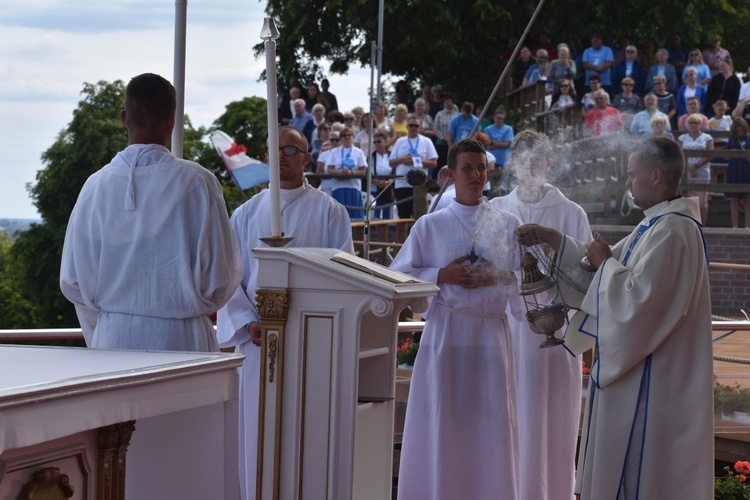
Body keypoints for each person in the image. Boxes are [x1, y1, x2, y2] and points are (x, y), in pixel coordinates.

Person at [516, 136, 713, 500]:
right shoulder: (654, 225)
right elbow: (598, 273)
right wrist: (556, 240)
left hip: (655, 387)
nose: (626, 183)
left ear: (655, 176)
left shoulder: (674, 232)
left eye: (631, 174)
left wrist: (605, 261)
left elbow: (639, 304)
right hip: (641, 378)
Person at [217, 126, 354, 500]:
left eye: (290, 149)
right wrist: (248, 322)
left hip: (312, 343)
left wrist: (314, 321)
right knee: (258, 435)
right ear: (264, 157)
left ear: (307, 158)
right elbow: (230, 279)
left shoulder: (330, 212)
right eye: (273, 150)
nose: (281, 156)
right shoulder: (245, 214)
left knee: (307, 434)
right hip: (259, 344)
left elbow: (345, 276)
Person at [60, 72, 242, 350]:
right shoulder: (197, 182)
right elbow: (222, 275)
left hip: (114, 341)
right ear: (171, 118)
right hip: (182, 342)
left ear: (123, 118)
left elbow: (73, 280)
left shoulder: (95, 185)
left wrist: (109, 321)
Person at [392, 139, 522, 499]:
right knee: (443, 424)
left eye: (481, 168)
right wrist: (439, 275)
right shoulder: (429, 226)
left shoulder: (507, 224)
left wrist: (502, 276)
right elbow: (395, 280)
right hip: (446, 335)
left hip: (491, 339)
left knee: (490, 426)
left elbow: (528, 281)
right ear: (449, 174)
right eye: (467, 168)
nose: (476, 175)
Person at [492, 129, 591, 500]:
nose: (530, 167)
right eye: (523, 160)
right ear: (513, 163)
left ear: (549, 163)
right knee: (510, 417)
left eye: (538, 160)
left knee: (553, 422)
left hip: (558, 334)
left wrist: (549, 248)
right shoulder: (497, 209)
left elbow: (586, 276)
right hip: (508, 331)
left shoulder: (570, 213)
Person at [390, 116, 438, 218]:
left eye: (416, 126)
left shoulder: (426, 141)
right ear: (407, 127)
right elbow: (391, 162)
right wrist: (402, 160)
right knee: (403, 216)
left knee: (419, 216)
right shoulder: (400, 141)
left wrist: (416, 161)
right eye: (411, 125)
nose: (413, 128)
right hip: (402, 184)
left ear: (420, 127)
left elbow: (433, 163)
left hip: (419, 185)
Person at [678, 113, 714, 223]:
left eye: (696, 122)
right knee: (687, 202)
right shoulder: (682, 138)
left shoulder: (707, 138)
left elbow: (710, 154)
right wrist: (688, 167)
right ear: (687, 124)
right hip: (686, 173)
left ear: (701, 124)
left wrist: (696, 166)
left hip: (702, 172)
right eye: (691, 122)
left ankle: (702, 225)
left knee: (702, 203)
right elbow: (679, 153)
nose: (694, 125)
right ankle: (689, 225)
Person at [326, 126, 367, 219]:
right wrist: (340, 172)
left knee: (354, 216)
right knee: (339, 217)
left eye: (349, 135)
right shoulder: (334, 152)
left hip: (353, 187)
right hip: (338, 187)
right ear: (341, 138)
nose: (347, 137)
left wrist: (351, 173)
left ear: (353, 137)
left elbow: (363, 171)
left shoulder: (358, 152)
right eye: (344, 135)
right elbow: (329, 169)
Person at [725, 118, 750, 228]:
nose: (740, 133)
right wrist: (731, 153)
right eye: (738, 131)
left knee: (747, 198)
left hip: (747, 169)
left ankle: (747, 226)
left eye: (741, 131)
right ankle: (734, 226)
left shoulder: (749, 138)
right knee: (734, 198)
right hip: (735, 169)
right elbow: (725, 156)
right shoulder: (732, 140)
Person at [369, 131, 394, 219]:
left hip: (388, 187)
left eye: (379, 141)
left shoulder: (392, 155)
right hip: (375, 187)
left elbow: (395, 172)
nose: (376, 144)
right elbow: (366, 172)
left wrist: (389, 181)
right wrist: (376, 182)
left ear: (385, 142)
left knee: (388, 213)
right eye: (374, 142)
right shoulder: (370, 157)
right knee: (374, 213)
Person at [434, 93, 459, 172]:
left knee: (453, 162)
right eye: (446, 102)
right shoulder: (439, 114)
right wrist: (443, 138)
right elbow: (436, 128)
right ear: (444, 104)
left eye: (450, 102)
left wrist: (451, 139)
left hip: (454, 142)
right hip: (441, 142)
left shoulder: (457, 114)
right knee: (441, 162)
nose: (448, 104)